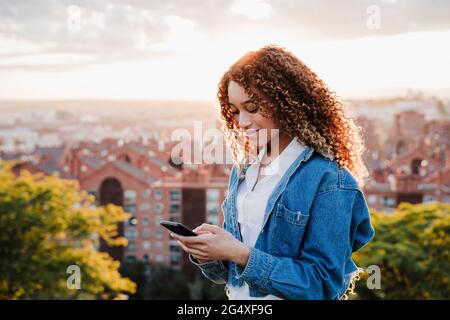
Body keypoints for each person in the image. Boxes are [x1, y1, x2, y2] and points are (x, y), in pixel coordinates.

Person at [170, 45, 375, 300]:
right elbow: (233, 275)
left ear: (286, 103)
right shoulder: (244, 171)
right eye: (234, 111)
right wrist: (210, 251)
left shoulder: (329, 180)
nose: (242, 122)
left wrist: (239, 253)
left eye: (252, 107)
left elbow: (323, 285)